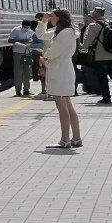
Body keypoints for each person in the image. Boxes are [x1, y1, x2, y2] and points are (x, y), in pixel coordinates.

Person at [36, 10, 81, 148]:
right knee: (67, 105)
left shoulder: (64, 33)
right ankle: (76, 138)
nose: (50, 18)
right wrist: (43, 22)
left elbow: (55, 51)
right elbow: (41, 35)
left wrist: (44, 58)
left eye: (52, 16)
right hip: (63, 69)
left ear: (59, 17)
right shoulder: (65, 31)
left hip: (60, 70)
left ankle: (65, 140)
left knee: (62, 107)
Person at [80, 7, 112, 105]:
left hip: (101, 55)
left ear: (97, 14)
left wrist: (83, 48)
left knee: (102, 76)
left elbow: (87, 40)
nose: (92, 14)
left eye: (93, 12)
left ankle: (106, 97)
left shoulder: (94, 25)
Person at [8, 19, 36, 96]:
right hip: (18, 52)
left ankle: (26, 90)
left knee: (27, 72)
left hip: (27, 53)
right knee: (18, 72)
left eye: (28, 27)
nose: (26, 28)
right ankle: (18, 90)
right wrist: (22, 40)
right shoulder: (16, 30)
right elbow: (10, 40)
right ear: (22, 25)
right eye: (25, 27)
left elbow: (33, 40)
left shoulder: (31, 31)